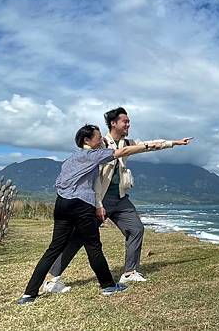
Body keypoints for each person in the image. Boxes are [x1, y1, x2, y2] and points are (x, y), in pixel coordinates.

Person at [43, 107, 193, 293]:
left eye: (129, 121)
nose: (128, 124)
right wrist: (97, 203)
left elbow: (149, 144)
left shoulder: (128, 142)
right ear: (114, 123)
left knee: (136, 228)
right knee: (80, 237)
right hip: (99, 199)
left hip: (120, 198)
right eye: (125, 121)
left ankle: (130, 271)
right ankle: (52, 278)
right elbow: (88, 168)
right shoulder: (100, 144)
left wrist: (174, 143)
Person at [17, 124, 166, 305]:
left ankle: (29, 294)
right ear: (87, 140)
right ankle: (108, 286)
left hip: (61, 204)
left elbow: (61, 182)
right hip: (81, 206)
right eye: (98, 137)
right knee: (93, 247)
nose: (102, 139)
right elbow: (123, 151)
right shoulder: (93, 155)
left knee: (53, 249)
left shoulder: (71, 159)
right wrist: (152, 145)